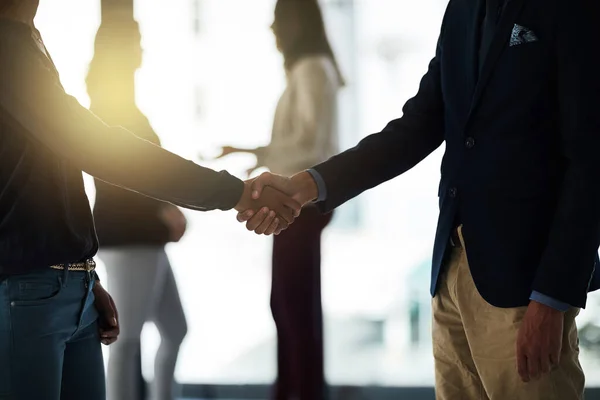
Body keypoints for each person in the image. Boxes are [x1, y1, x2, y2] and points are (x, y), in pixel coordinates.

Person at [239, 0, 600, 399]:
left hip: (525, 285)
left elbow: (590, 165)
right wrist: (307, 183)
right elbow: (416, 127)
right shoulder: (461, 9)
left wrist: (552, 298)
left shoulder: (572, 9)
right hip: (450, 274)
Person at [0, 1, 300, 399]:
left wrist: (83, 275)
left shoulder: (26, 40)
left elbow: (46, 184)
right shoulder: (8, 47)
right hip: (29, 295)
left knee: (172, 332)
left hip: (71, 290)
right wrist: (235, 192)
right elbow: (100, 149)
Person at [218, 1, 342, 398]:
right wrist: (250, 152)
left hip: (300, 206)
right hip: (299, 205)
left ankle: (300, 391)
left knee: (293, 309)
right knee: (290, 305)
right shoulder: (308, 71)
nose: (272, 29)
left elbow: (311, 147)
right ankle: (295, 389)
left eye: (277, 20)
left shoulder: (311, 70)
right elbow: (297, 143)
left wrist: (264, 174)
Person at [87, 20, 189, 400]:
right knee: (126, 340)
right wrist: (163, 208)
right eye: (136, 42)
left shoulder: (124, 106)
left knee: (175, 330)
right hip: (130, 236)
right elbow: (123, 177)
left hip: (145, 236)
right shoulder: (107, 106)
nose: (142, 50)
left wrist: (166, 207)